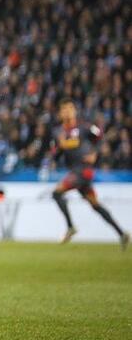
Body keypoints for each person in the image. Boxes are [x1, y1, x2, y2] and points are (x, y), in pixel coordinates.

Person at [50, 100, 129, 249]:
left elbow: (100, 137)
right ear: (60, 113)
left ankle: (70, 227)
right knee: (95, 205)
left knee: (56, 192)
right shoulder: (58, 132)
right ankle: (122, 233)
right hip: (74, 172)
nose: (67, 112)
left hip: (83, 171)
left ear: (74, 110)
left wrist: (95, 153)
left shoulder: (84, 126)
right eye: (64, 109)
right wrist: (56, 151)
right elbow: (56, 154)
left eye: (70, 108)